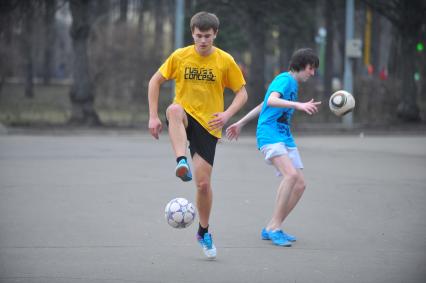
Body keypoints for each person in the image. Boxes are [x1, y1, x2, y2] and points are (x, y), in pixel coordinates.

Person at [148, 11, 248, 259]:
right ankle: (181, 161)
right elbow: (155, 82)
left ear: (215, 35)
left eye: (207, 36)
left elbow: (242, 93)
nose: (203, 40)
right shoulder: (180, 56)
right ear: (192, 34)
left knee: (203, 185)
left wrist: (227, 115)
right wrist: (152, 116)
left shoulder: (224, 60)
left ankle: (203, 231)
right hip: (184, 115)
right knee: (173, 109)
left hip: (209, 123)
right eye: (198, 35)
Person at [226, 48, 320, 247]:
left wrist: (241, 122)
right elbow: (271, 100)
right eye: (311, 68)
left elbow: (264, 104)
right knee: (291, 176)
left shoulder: (291, 83)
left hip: (284, 136)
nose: (312, 73)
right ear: (301, 65)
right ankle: (275, 228)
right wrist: (298, 105)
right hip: (270, 134)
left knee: (300, 184)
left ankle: (271, 226)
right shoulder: (285, 80)